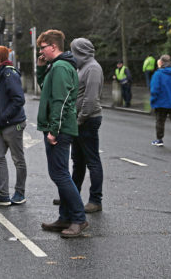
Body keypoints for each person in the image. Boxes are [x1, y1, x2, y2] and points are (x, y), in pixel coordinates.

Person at [36, 29, 87, 238]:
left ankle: (78, 219)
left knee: (60, 175)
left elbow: (61, 101)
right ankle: (65, 217)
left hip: (59, 129)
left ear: (53, 46)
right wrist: (40, 69)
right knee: (60, 174)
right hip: (57, 127)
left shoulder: (61, 67)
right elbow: (46, 92)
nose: (41, 52)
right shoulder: (54, 67)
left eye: (42, 48)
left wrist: (54, 130)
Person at [0, 46, 27, 206]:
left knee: (18, 159)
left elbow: (19, 99)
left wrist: (4, 116)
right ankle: (3, 194)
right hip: (2, 125)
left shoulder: (9, 74)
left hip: (13, 124)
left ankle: (20, 193)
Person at [69, 38, 104, 213]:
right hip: (80, 121)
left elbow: (90, 100)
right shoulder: (82, 67)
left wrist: (79, 120)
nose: (72, 55)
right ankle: (72, 196)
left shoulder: (92, 68)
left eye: (74, 51)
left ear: (81, 51)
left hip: (88, 120)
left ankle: (95, 200)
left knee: (92, 161)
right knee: (78, 161)